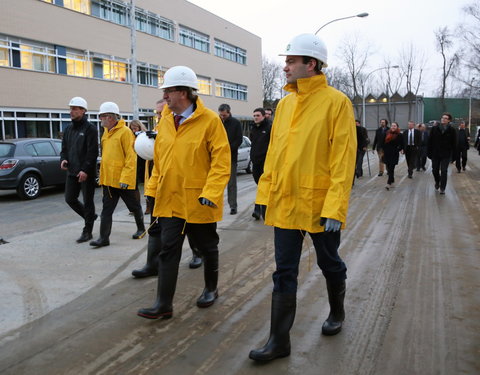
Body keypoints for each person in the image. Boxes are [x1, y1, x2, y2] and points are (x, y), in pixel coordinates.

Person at [248, 33, 356, 362]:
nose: (285, 67)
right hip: (285, 203)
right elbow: (276, 155)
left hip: (320, 206)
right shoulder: (285, 104)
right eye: (287, 61)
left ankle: (337, 311)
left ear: (311, 64)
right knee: (283, 272)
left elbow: (343, 160)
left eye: (291, 61)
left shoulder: (336, 102)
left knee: (330, 263)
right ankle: (279, 341)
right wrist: (264, 195)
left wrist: (335, 208)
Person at [137, 66, 230, 319]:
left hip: (199, 201)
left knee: (207, 247)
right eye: (165, 92)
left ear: (184, 92)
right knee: (168, 250)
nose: (165, 96)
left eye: (168, 91)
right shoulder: (165, 120)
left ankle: (211, 288)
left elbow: (221, 163)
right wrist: (152, 192)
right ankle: (163, 305)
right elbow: (160, 160)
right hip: (170, 200)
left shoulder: (210, 121)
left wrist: (210, 194)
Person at [90, 102, 145, 247]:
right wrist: (102, 177)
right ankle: (104, 238)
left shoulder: (125, 132)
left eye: (102, 116)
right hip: (109, 181)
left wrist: (126, 178)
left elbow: (131, 157)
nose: (100, 119)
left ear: (110, 117)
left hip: (123, 181)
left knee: (134, 207)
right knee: (106, 211)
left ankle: (141, 229)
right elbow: (106, 157)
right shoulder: (106, 133)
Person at [60, 97, 98, 243]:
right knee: (69, 198)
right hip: (72, 171)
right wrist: (63, 159)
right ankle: (90, 217)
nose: (71, 111)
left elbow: (92, 152)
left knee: (88, 201)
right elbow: (64, 149)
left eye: (75, 109)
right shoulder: (68, 129)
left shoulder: (90, 129)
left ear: (83, 111)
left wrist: (85, 170)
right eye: (71, 108)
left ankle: (87, 231)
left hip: (85, 173)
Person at [218, 103, 243, 215]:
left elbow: (239, 140)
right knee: (216, 182)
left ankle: (233, 206)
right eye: (221, 115)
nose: (222, 117)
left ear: (229, 112)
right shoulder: (217, 122)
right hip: (217, 158)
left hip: (231, 158)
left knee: (231, 183)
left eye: (224, 115)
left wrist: (227, 149)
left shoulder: (236, 123)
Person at [427, 112, 457, 195]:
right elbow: (430, 141)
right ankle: (437, 181)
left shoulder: (452, 130)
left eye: (445, 118)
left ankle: (443, 187)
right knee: (435, 170)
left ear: (449, 120)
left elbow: (454, 144)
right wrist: (429, 153)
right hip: (435, 154)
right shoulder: (434, 129)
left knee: (444, 171)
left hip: (446, 154)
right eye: (442, 117)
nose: (443, 119)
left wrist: (454, 157)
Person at [250, 108, 271, 220]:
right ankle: (260, 209)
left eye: (258, 115)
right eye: (254, 115)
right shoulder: (253, 128)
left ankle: (260, 210)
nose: (255, 117)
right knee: (259, 186)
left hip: (266, 163)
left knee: (264, 187)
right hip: (256, 162)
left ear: (263, 116)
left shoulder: (269, 127)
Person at [129, 119, 147, 214]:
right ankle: (136, 207)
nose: (134, 131)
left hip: (144, 161)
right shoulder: (130, 136)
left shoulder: (144, 135)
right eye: (132, 129)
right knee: (134, 186)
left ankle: (149, 206)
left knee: (147, 185)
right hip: (134, 162)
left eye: (135, 128)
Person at [384, 122, 404, 190]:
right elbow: (383, 142)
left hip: (394, 153)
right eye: (392, 126)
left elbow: (402, 144)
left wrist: (399, 149)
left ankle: (388, 183)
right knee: (389, 168)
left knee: (391, 168)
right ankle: (392, 180)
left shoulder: (399, 135)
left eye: (394, 126)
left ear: (397, 127)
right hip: (387, 153)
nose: (393, 127)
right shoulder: (387, 133)